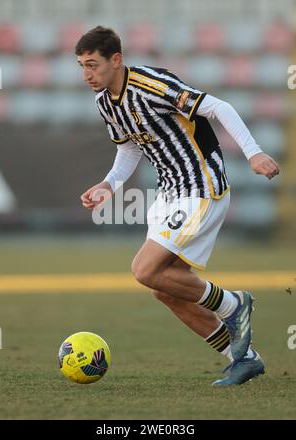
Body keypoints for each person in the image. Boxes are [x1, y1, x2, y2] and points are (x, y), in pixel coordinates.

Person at [75, 26, 280, 385]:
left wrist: (254, 152)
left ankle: (234, 305)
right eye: (81, 66)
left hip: (201, 186)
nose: (87, 74)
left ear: (116, 59)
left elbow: (218, 107)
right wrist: (110, 184)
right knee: (163, 287)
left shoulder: (151, 84)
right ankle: (243, 358)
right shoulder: (105, 102)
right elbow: (129, 147)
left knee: (143, 270)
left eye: (92, 64)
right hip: (170, 193)